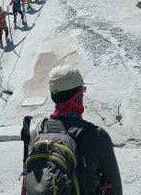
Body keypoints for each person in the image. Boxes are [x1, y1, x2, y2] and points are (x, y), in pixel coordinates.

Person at [30, 65, 123, 195]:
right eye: (82, 90)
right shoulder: (96, 136)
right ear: (78, 95)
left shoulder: (37, 133)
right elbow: (115, 190)